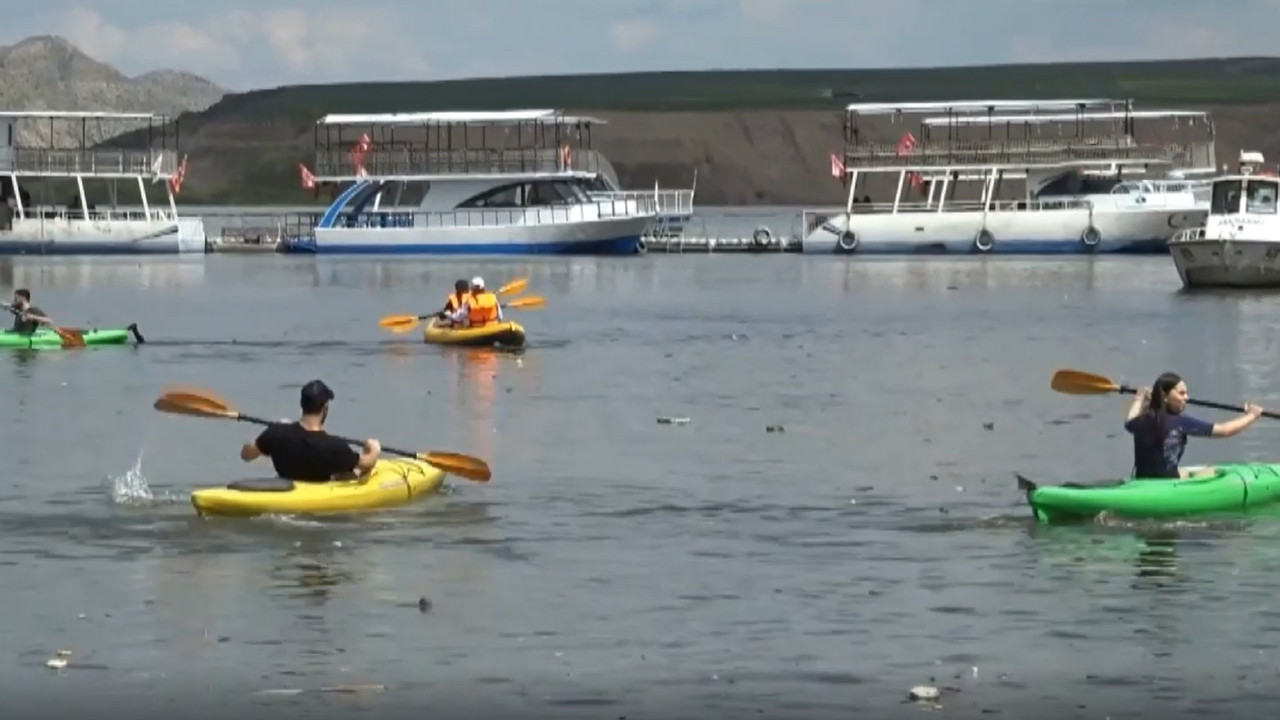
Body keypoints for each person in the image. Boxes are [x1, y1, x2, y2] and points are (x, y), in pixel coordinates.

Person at [1123, 372, 1263, 479]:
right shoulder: (1180, 422)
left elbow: (1129, 420)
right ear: (1165, 396)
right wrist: (1252, 415)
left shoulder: (1139, 421)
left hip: (1142, 482)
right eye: (1181, 393)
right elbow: (1224, 430)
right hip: (1168, 485)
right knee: (1212, 471)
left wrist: (1139, 398)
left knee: (1193, 471)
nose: (1187, 398)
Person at [239, 379, 382, 481]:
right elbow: (368, 462)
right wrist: (374, 448)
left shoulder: (276, 434)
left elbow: (246, 455)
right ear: (325, 407)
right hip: (318, 495)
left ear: (302, 404)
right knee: (353, 472)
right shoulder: (335, 447)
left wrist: (271, 431)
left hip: (287, 486)